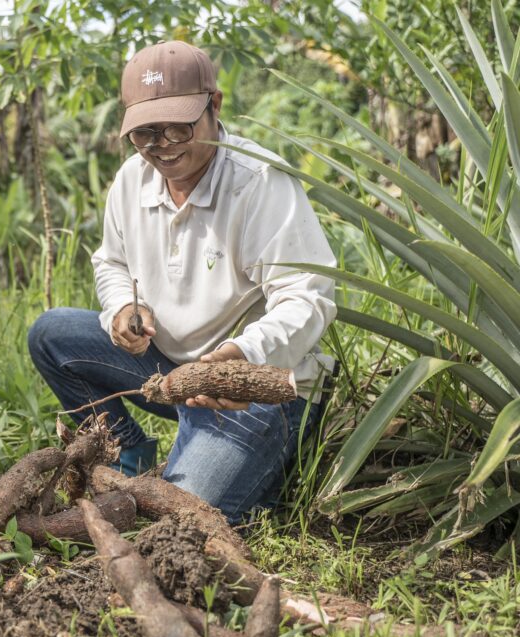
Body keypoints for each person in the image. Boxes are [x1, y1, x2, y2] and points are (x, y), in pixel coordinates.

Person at [27, 40, 337, 522]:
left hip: (251, 387)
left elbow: (308, 298)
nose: (164, 146)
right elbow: (111, 263)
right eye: (146, 134)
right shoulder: (132, 180)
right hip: (169, 371)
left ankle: (266, 458)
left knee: (177, 517)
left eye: (179, 128)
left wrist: (242, 358)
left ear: (214, 105)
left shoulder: (258, 182)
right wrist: (122, 311)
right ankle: (128, 452)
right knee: (52, 334)